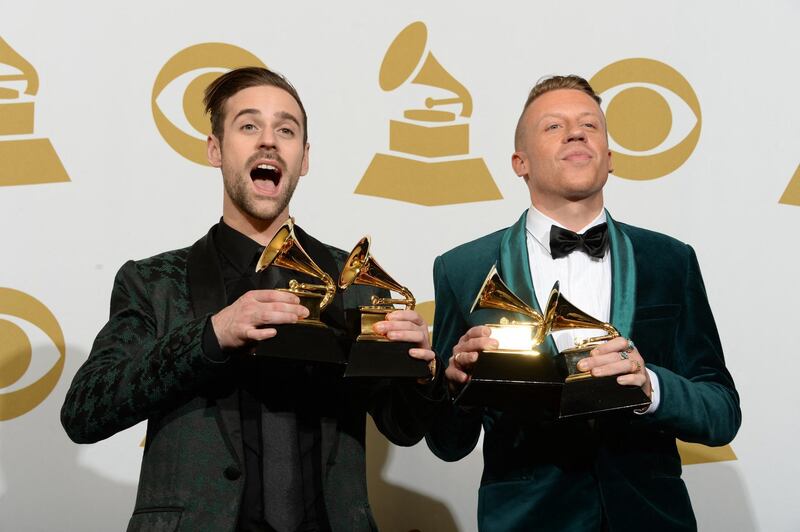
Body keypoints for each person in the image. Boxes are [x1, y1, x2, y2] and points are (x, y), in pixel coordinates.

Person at [61, 67, 442, 532]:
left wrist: (418, 373)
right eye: (248, 126)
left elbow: (403, 427)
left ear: (303, 158)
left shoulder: (353, 280)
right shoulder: (153, 282)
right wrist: (211, 334)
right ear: (215, 150)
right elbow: (86, 412)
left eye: (286, 130)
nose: (269, 142)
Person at [425, 75, 740, 531]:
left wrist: (650, 385)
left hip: (651, 517)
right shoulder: (462, 269)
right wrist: (458, 388)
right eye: (554, 126)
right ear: (520, 162)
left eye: (590, 125)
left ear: (609, 158)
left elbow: (722, 412)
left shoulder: (671, 261)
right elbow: (446, 442)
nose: (576, 133)